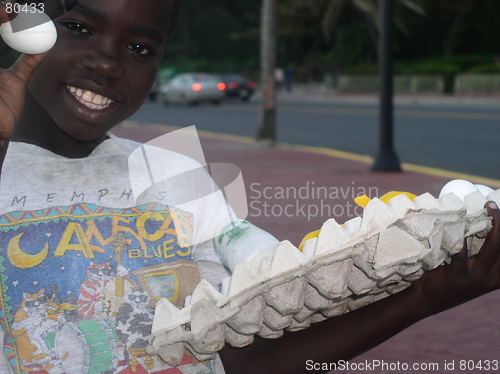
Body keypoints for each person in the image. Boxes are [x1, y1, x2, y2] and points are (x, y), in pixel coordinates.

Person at [0, 1, 499, 374]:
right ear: (24, 29)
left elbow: (232, 358)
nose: (107, 62)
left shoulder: (172, 173)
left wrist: (421, 298)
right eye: (78, 28)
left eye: (139, 48)